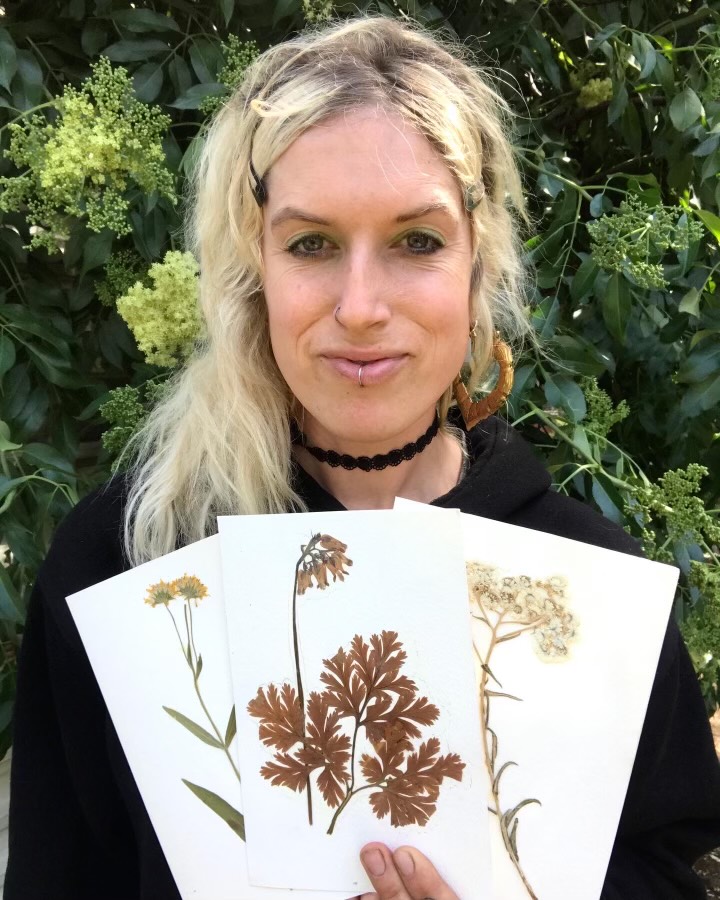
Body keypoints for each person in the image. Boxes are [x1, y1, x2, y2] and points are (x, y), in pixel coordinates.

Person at [5, 15, 720, 900]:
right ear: (252, 265)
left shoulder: (584, 579)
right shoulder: (128, 559)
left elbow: (665, 862)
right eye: (311, 244)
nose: (360, 305)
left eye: (417, 241)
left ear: (477, 259)